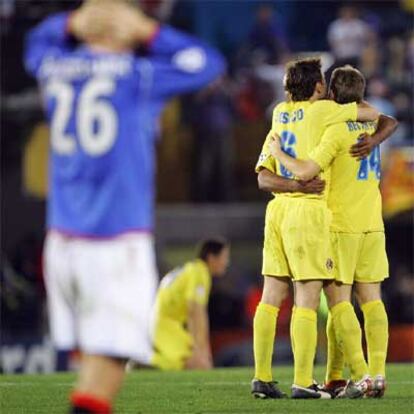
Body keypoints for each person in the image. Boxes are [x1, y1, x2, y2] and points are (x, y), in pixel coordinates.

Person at [24, 1, 225, 413]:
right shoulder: (137, 77)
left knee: (100, 355)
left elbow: (34, 43)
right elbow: (205, 63)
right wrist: (149, 33)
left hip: (62, 236)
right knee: (115, 353)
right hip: (115, 238)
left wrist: (70, 24)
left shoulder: (54, 66)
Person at [252, 57, 379, 400]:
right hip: (308, 213)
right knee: (307, 299)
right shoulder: (324, 112)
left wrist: (289, 185)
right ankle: (304, 382)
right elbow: (368, 112)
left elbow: (263, 177)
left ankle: (262, 378)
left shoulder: (278, 115)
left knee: (270, 297)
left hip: (276, 210)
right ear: (319, 87)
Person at [150, 238, 230, 370]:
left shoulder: (189, 269)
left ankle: (149, 362)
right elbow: (195, 311)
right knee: (200, 365)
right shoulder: (200, 273)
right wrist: (202, 349)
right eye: (224, 257)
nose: (226, 263)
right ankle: (147, 363)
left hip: (160, 322)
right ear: (211, 257)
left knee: (194, 363)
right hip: (166, 325)